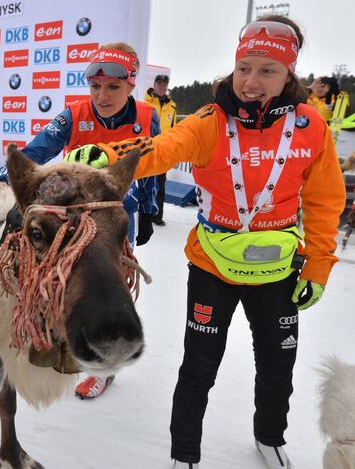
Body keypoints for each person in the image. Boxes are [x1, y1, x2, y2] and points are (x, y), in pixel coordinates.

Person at [66, 16, 345, 469]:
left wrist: (317, 266)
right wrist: (109, 157)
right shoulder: (210, 121)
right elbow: (161, 147)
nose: (251, 81)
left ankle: (270, 437)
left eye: (267, 70)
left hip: (278, 270)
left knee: (277, 367)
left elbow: (325, 201)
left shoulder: (310, 126)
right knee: (199, 367)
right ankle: (185, 456)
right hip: (213, 266)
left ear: (289, 75)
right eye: (244, 68)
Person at [0, 41, 160, 399]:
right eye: (96, 86)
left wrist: (149, 209)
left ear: (131, 85)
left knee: (114, 279)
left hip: (115, 213)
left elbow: (153, 164)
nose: (102, 95)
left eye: (113, 87)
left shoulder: (148, 117)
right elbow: (37, 150)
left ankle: (105, 355)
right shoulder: (74, 114)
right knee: (65, 277)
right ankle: (64, 335)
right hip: (72, 215)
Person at [145, 74, 178, 226]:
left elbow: (174, 129)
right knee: (144, 182)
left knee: (160, 185)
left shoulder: (172, 106)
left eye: (165, 84)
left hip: (163, 150)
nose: (162, 86)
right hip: (146, 148)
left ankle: (157, 215)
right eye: (160, 84)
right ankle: (144, 214)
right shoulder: (145, 102)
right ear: (155, 84)